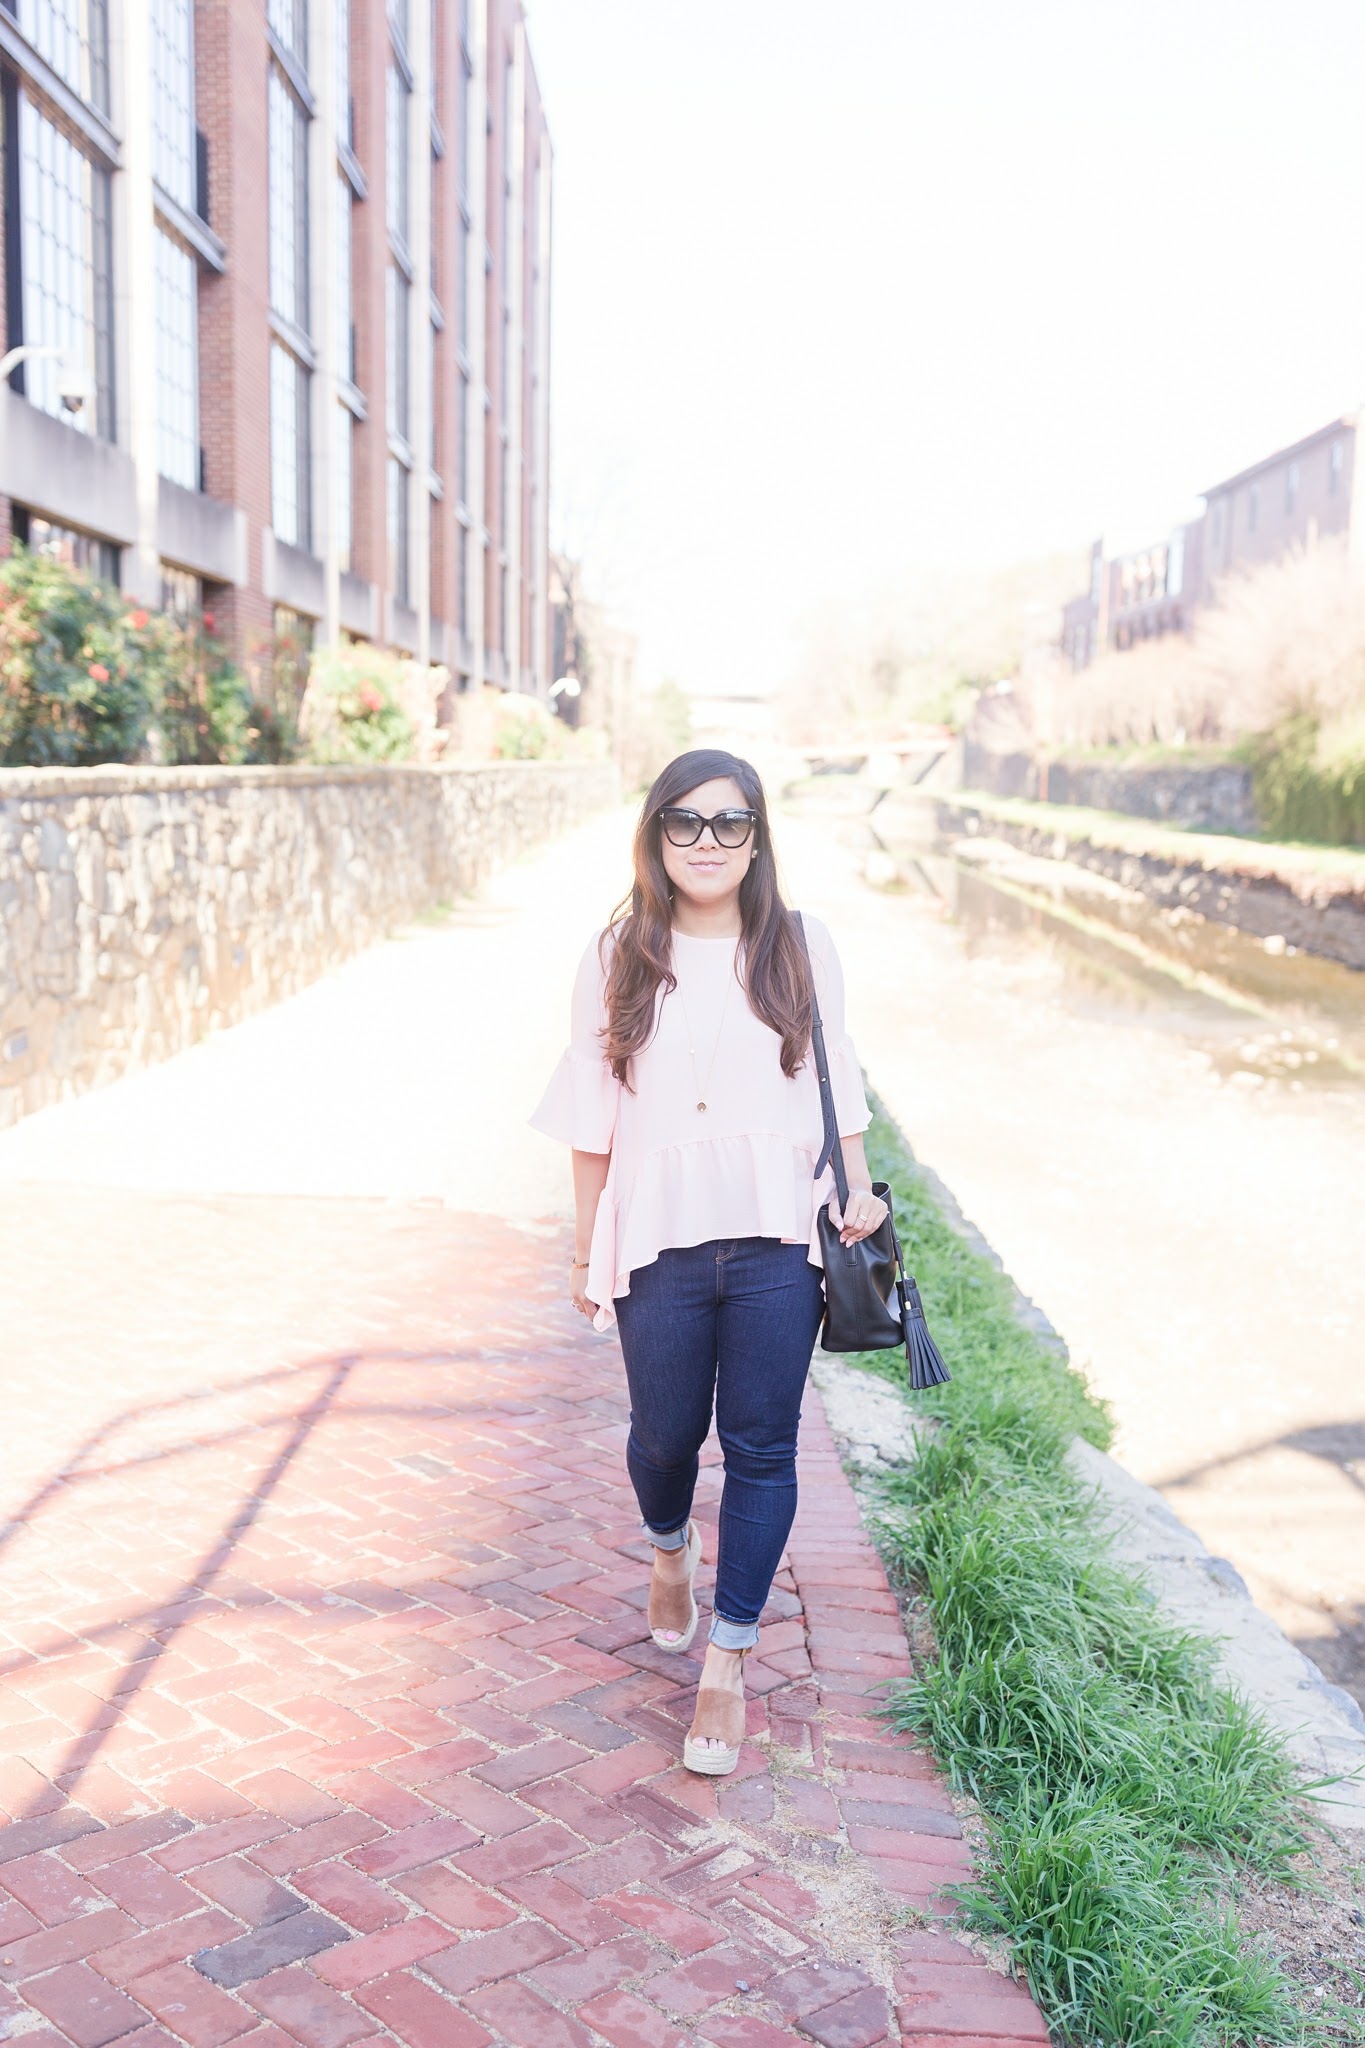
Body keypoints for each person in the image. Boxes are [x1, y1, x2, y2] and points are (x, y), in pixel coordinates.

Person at [529, 749, 887, 1775]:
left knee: (765, 1448)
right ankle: (669, 1542)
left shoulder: (803, 943)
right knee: (664, 1437)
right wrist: (583, 1241)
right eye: (685, 822)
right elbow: (592, 1114)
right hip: (658, 1233)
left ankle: (728, 1660)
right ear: (655, 835)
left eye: (730, 824)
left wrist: (857, 1182)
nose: (707, 842)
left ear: (759, 837)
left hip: (779, 1229)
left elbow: (837, 1068)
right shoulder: (618, 952)